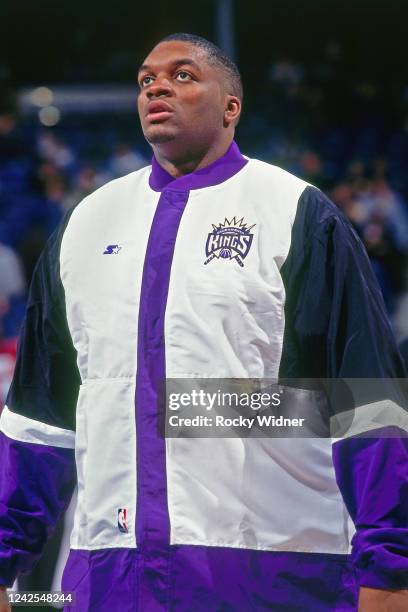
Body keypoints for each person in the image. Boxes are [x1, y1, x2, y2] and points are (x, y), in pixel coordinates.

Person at [0, 33, 407, 611]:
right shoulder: (86, 224)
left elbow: (369, 404)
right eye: (146, 80)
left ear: (231, 106)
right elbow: (40, 420)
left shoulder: (296, 212)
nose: (158, 86)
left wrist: (390, 571)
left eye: (184, 75)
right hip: (109, 576)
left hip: (274, 575)